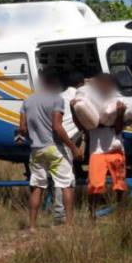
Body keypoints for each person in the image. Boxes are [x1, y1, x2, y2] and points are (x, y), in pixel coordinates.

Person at [17, 69, 83, 230]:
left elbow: (22, 129)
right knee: (66, 184)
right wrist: (74, 147)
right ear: (55, 83)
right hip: (55, 148)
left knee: (37, 187)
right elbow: (57, 127)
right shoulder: (56, 99)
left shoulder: (27, 101)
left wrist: (32, 138)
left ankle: (32, 226)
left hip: (36, 150)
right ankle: (69, 224)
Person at [73, 73, 128, 219]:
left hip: (115, 148)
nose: (103, 86)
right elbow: (82, 126)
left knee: (119, 184)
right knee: (95, 185)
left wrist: (120, 114)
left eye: (105, 83)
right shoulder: (91, 102)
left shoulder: (116, 101)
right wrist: (74, 110)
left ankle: (121, 214)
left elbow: (118, 129)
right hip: (96, 151)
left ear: (110, 85)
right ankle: (92, 215)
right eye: (100, 83)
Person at [52, 71, 86, 224]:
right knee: (65, 181)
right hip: (67, 140)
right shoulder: (79, 97)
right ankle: (61, 215)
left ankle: (60, 212)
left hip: (54, 140)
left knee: (59, 177)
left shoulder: (60, 96)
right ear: (81, 84)